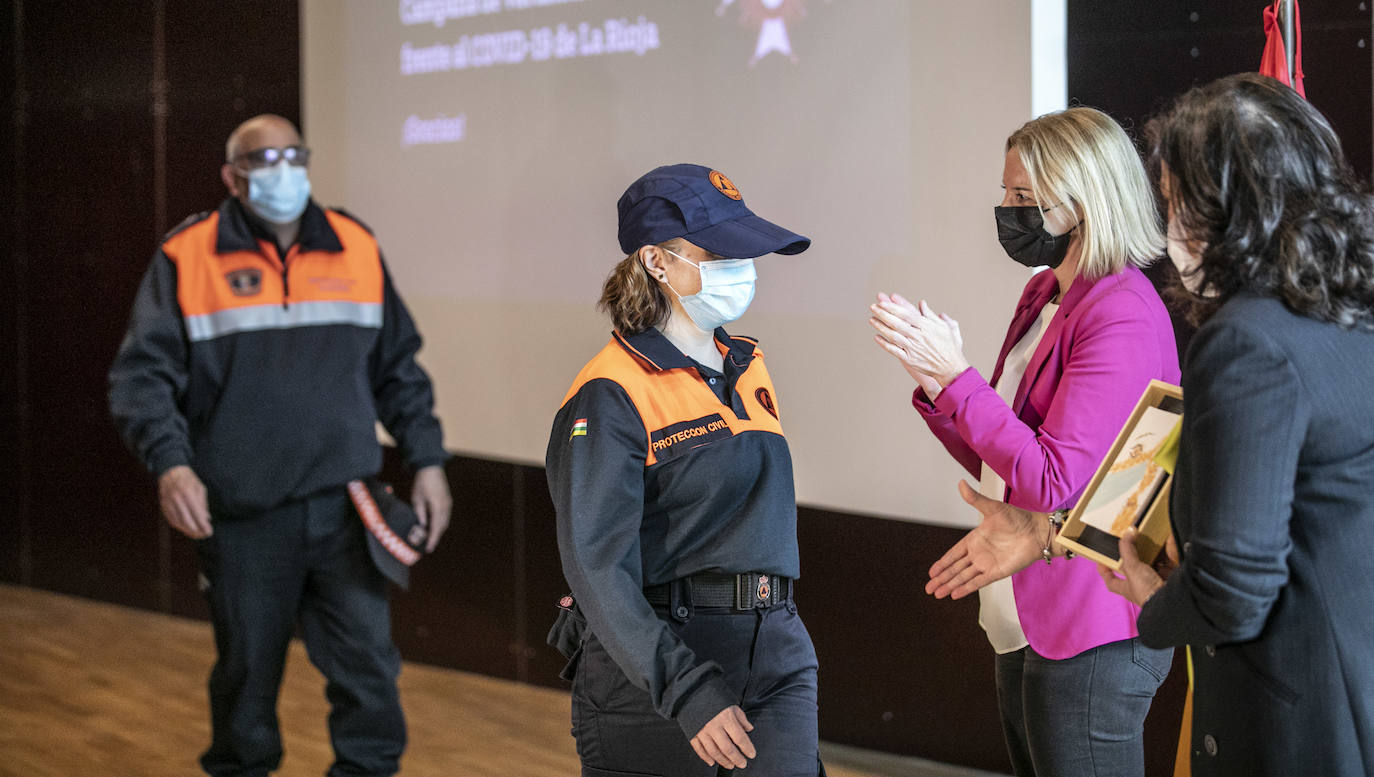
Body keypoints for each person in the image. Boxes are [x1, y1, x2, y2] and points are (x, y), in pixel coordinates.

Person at [108, 114, 452, 777]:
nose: (282, 170)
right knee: (245, 682)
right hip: (242, 515)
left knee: (370, 677)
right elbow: (141, 378)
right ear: (232, 177)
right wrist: (171, 463)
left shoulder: (354, 243)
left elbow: (398, 368)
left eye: (293, 155)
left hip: (345, 509)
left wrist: (429, 459)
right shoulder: (188, 255)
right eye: (262, 159)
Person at [869, 108, 1179, 776]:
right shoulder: (1044, 292)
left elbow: (1053, 478)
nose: (1007, 210)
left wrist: (958, 378)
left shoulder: (1120, 308)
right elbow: (1005, 456)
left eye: (1023, 198)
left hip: (1094, 624)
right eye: (1005, 193)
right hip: (1022, 615)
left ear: (1084, 200)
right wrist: (939, 386)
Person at [1095, 73, 1374, 777]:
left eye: (1173, 203)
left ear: (1221, 205)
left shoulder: (1247, 339)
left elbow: (1235, 588)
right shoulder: (1348, 302)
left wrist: (1153, 602)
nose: (1170, 232)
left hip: (1292, 713)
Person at [545, 164, 822, 776]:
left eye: (745, 251)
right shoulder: (609, 391)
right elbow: (595, 566)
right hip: (658, 670)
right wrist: (687, 690)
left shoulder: (747, 365)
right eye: (719, 252)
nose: (743, 267)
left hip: (775, 650)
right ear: (655, 261)